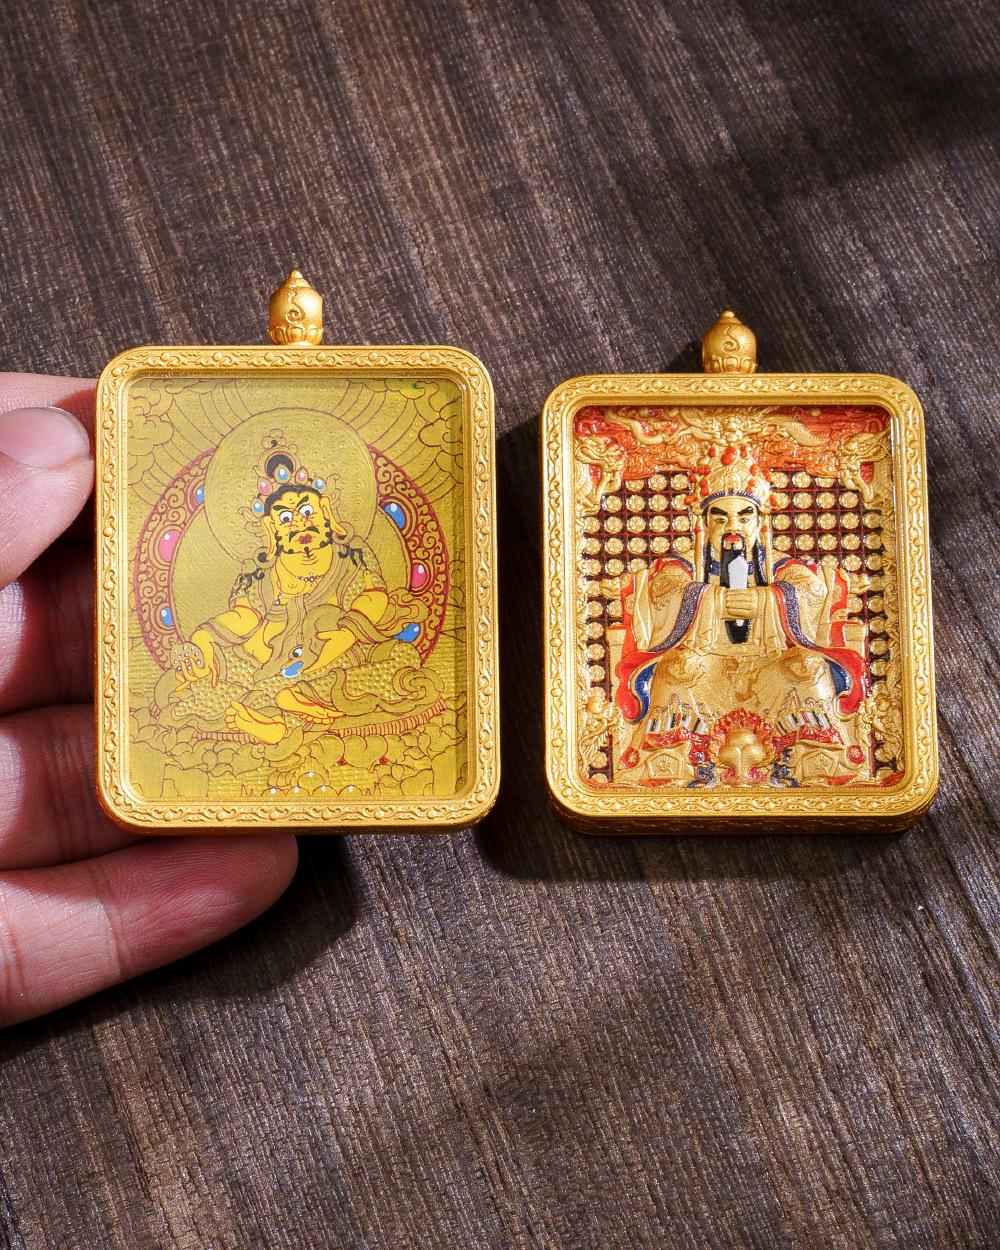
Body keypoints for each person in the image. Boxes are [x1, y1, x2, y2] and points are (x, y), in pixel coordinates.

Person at [0, 374, 298, 1027]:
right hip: (247, 662)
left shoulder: (339, 556)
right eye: (285, 517)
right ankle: (239, 708)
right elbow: (228, 621)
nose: (300, 525)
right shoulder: (253, 575)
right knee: (207, 663)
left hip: (305, 658)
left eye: (307, 513)